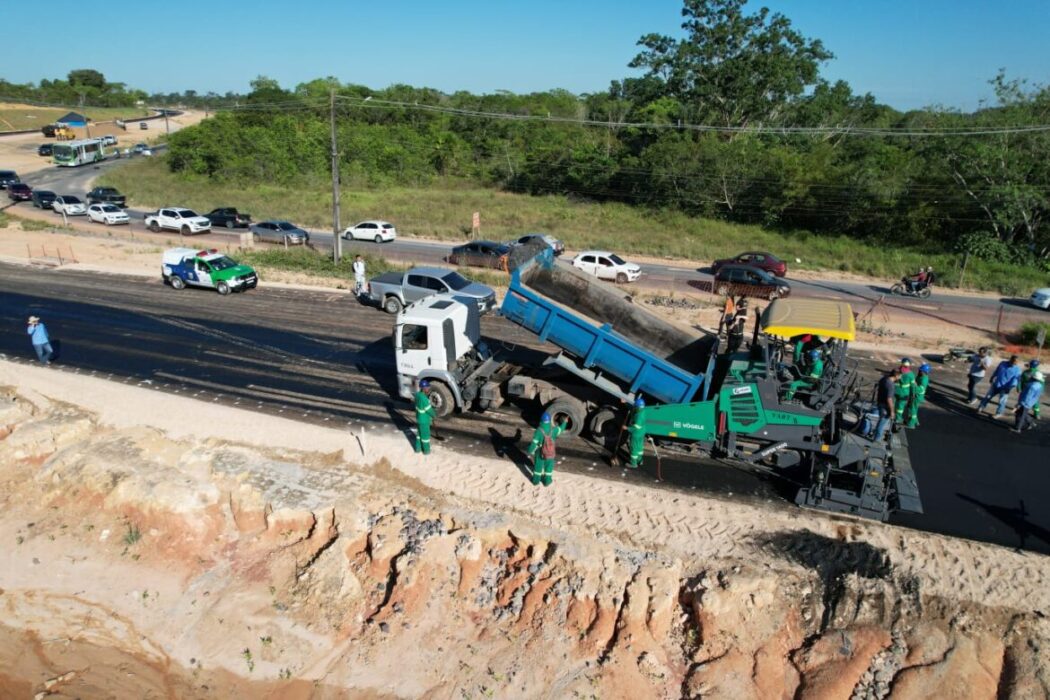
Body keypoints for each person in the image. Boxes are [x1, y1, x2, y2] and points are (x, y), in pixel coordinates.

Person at [528, 412, 569, 486]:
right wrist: (565, 422)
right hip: (550, 451)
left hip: (540, 451)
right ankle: (547, 481)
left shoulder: (539, 431)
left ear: (541, 420)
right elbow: (561, 429)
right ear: (549, 421)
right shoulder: (553, 429)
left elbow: (534, 443)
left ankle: (536, 481)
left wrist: (530, 451)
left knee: (538, 466)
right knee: (549, 467)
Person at [864, 368, 899, 442]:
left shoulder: (884, 379)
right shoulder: (891, 385)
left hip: (880, 403)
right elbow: (889, 399)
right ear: (896, 375)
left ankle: (875, 435)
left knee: (881, 422)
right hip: (885, 407)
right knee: (882, 424)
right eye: (900, 375)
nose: (901, 377)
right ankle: (876, 440)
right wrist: (892, 411)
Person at [414, 379, 436, 455]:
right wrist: (434, 415)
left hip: (418, 418)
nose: (428, 388)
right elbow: (429, 410)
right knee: (425, 436)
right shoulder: (424, 399)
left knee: (419, 435)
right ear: (423, 388)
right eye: (427, 387)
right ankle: (426, 451)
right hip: (424, 420)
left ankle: (418, 449)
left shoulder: (417, 395)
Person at [907, 363, 930, 428]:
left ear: (925, 372)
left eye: (921, 370)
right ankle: (916, 421)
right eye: (919, 370)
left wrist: (913, 385)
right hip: (915, 395)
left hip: (917, 396)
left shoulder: (924, 380)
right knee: (914, 409)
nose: (919, 371)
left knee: (912, 409)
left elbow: (921, 389)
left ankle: (911, 424)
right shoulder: (920, 376)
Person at [627, 397, 647, 468]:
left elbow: (635, 428)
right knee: (639, 448)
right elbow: (632, 410)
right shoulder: (643, 411)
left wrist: (626, 428)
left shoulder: (639, 416)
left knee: (634, 448)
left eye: (635, 406)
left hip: (636, 434)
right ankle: (640, 461)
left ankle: (633, 464)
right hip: (641, 433)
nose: (634, 408)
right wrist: (625, 403)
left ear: (637, 407)